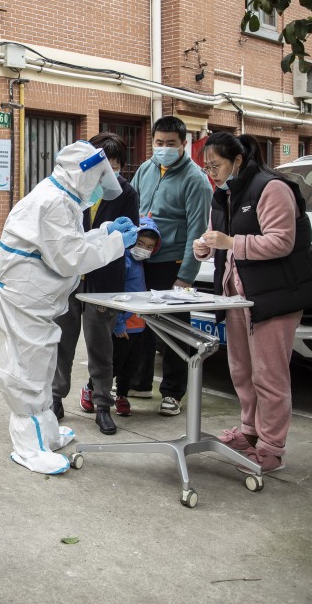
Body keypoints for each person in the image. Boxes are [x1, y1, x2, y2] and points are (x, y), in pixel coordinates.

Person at [0, 139, 136, 474]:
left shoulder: (61, 198)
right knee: (27, 368)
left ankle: (46, 434)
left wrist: (103, 232)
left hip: (35, 299)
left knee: (41, 367)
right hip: (25, 300)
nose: (100, 189)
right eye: (99, 180)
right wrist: (115, 242)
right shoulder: (54, 202)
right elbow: (69, 258)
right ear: (84, 175)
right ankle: (28, 447)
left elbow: (67, 244)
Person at [193, 132, 312, 473]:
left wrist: (231, 242)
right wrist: (205, 246)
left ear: (237, 160)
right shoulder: (222, 194)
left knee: (269, 375)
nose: (212, 173)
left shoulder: (272, 188)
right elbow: (220, 238)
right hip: (237, 295)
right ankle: (249, 434)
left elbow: (282, 241)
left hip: (274, 296)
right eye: (207, 167)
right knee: (242, 371)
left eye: (216, 165)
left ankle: (272, 448)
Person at [51, 132, 138, 435]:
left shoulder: (126, 194)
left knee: (101, 348)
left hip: (104, 280)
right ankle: (55, 398)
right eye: (102, 166)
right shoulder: (72, 191)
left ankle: (102, 405)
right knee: (62, 342)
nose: (107, 174)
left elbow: (128, 237)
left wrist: (110, 236)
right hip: (71, 280)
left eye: (113, 167)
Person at [131, 116, 212, 416]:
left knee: (176, 330)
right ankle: (139, 382)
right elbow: (135, 208)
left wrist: (185, 277)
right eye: (159, 143)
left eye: (170, 144)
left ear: (183, 144)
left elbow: (197, 231)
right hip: (142, 260)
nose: (163, 148)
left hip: (173, 264)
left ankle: (173, 392)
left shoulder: (196, 179)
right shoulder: (145, 169)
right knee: (141, 324)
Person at [110, 217, 162, 418]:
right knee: (113, 364)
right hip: (123, 327)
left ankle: (121, 396)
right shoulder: (123, 261)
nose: (144, 249)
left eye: (149, 246)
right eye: (140, 243)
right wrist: (118, 324)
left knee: (130, 367)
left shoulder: (141, 264)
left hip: (139, 326)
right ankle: (92, 389)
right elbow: (115, 295)